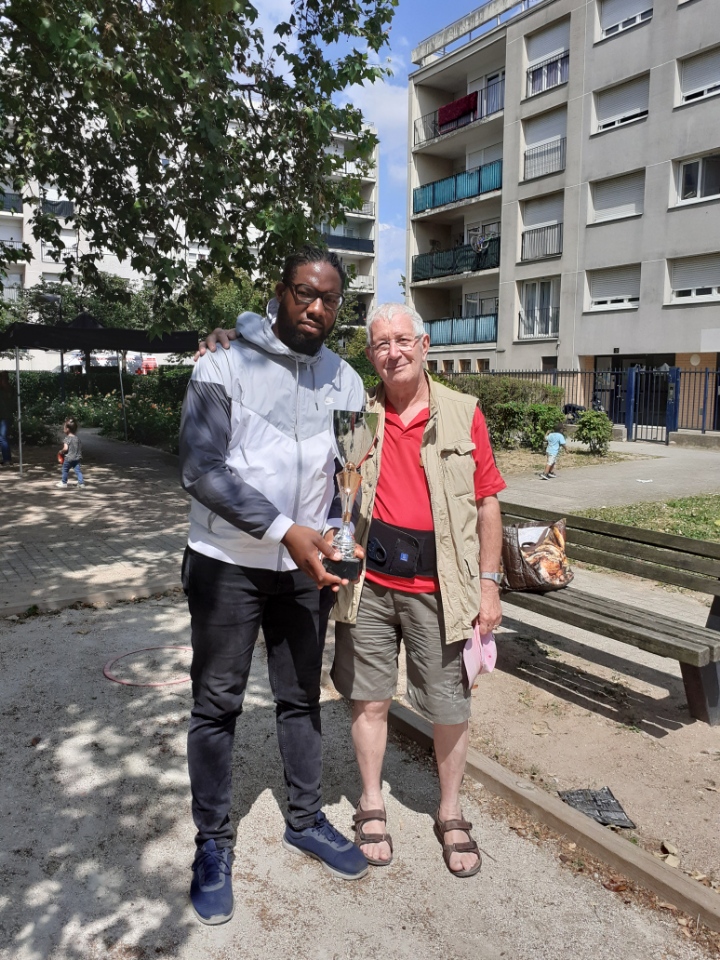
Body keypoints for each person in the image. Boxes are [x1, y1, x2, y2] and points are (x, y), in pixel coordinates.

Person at [180, 245, 368, 927]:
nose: (315, 308)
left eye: (328, 299)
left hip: (304, 570)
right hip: (226, 563)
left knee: (299, 699)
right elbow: (202, 471)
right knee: (217, 704)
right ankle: (212, 844)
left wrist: (342, 539)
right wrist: (286, 528)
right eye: (303, 293)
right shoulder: (223, 364)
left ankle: (306, 818)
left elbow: (352, 473)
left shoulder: (345, 381)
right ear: (279, 293)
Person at [329, 302, 506, 879]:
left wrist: (488, 583)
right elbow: (345, 493)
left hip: (441, 588)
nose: (392, 352)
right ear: (370, 354)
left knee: (450, 706)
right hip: (372, 586)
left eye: (402, 340)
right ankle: (372, 800)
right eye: (380, 344)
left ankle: (450, 811)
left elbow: (487, 502)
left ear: (425, 344)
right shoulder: (359, 415)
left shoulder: (463, 411)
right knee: (370, 698)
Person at [56, 418, 85, 489]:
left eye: (64, 428)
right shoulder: (77, 439)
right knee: (78, 471)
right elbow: (80, 448)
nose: (63, 429)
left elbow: (65, 449)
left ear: (67, 429)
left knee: (65, 470)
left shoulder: (67, 439)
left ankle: (63, 482)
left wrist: (61, 451)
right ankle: (81, 483)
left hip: (68, 458)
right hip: (77, 458)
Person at [0, 371, 12, 466]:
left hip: (4, 417)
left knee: (2, 437)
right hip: (5, 416)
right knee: (4, 438)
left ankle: (7, 459)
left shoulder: (8, 390)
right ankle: (7, 459)